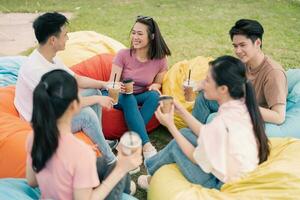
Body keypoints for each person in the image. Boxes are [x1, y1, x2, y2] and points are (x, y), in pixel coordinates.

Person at [138, 56, 270, 190]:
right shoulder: (239, 106)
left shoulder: (223, 122)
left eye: (207, 80)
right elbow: (207, 133)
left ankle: (151, 175)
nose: (202, 84)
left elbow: (196, 158)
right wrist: (182, 111)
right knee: (185, 133)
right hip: (234, 167)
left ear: (223, 89)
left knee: (176, 146)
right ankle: (152, 167)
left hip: (220, 182)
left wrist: (170, 125)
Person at [14, 12, 116, 164]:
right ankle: (111, 160)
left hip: (52, 109)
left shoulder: (50, 57)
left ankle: (99, 139)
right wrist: (98, 99)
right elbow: (64, 105)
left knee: (94, 91)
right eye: (65, 35)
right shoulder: (36, 70)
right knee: (87, 114)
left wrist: (104, 84)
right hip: (41, 122)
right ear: (53, 40)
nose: (68, 38)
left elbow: (77, 79)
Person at [26, 69, 142, 200]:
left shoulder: (34, 137)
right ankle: (123, 189)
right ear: (75, 105)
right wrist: (121, 169)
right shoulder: (81, 154)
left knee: (107, 163)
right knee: (116, 167)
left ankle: (125, 188)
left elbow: (32, 181)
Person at [192, 19, 287, 125]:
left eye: (242, 45)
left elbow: (279, 117)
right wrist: (196, 85)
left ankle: (197, 135)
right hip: (238, 105)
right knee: (203, 97)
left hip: (251, 114)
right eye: (235, 46)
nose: (237, 51)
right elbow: (220, 81)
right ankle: (195, 132)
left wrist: (240, 105)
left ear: (257, 43)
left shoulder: (273, 73)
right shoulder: (244, 62)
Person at [104, 15, 171, 159]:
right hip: (117, 97)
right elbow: (111, 82)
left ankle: (128, 139)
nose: (135, 37)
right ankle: (146, 145)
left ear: (152, 36)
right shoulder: (123, 55)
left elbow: (158, 83)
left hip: (139, 96)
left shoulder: (160, 59)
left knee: (154, 96)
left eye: (140, 33)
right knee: (129, 98)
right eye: (133, 32)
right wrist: (119, 86)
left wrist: (155, 85)